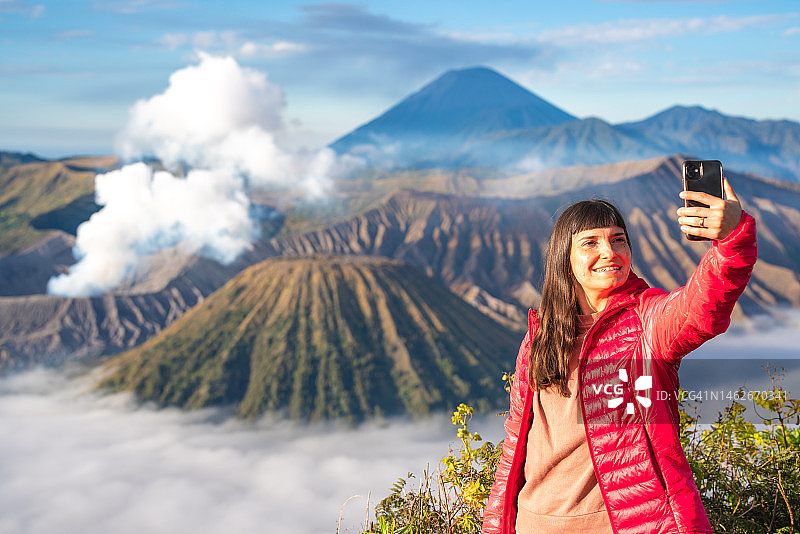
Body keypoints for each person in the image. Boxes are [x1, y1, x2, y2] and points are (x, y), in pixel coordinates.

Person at [482, 179, 757, 534]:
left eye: (618, 240)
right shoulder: (540, 336)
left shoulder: (647, 322)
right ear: (565, 261)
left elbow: (702, 306)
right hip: (532, 522)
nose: (610, 252)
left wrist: (732, 238)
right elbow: (515, 445)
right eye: (590, 243)